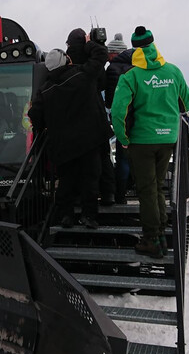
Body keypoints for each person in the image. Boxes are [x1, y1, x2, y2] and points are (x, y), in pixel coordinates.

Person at [110, 26, 189, 258]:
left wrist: (124, 139)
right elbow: (187, 103)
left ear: (135, 47)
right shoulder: (173, 71)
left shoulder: (131, 76)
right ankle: (161, 225)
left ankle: (152, 240)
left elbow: (117, 112)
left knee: (147, 189)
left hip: (141, 140)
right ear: (153, 44)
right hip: (168, 137)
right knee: (157, 185)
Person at [29, 37, 111, 229]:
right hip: (88, 141)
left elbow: (35, 115)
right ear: (67, 61)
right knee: (90, 179)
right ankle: (89, 216)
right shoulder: (81, 76)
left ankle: (66, 215)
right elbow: (101, 55)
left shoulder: (46, 90)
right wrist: (89, 43)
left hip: (62, 145)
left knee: (66, 181)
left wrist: (44, 127)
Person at [66, 28, 116, 206]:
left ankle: (80, 196)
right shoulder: (91, 62)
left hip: (73, 117)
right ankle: (108, 193)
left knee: (78, 161)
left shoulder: (67, 62)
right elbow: (102, 83)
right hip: (95, 116)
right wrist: (91, 45)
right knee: (103, 156)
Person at [105, 33, 137, 204]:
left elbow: (110, 99)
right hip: (140, 118)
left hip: (123, 119)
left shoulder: (113, 69)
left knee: (123, 157)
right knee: (139, 157)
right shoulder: (138, 66)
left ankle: (121, 195)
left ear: (115, 53)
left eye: (110, 52)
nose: (107, 56)